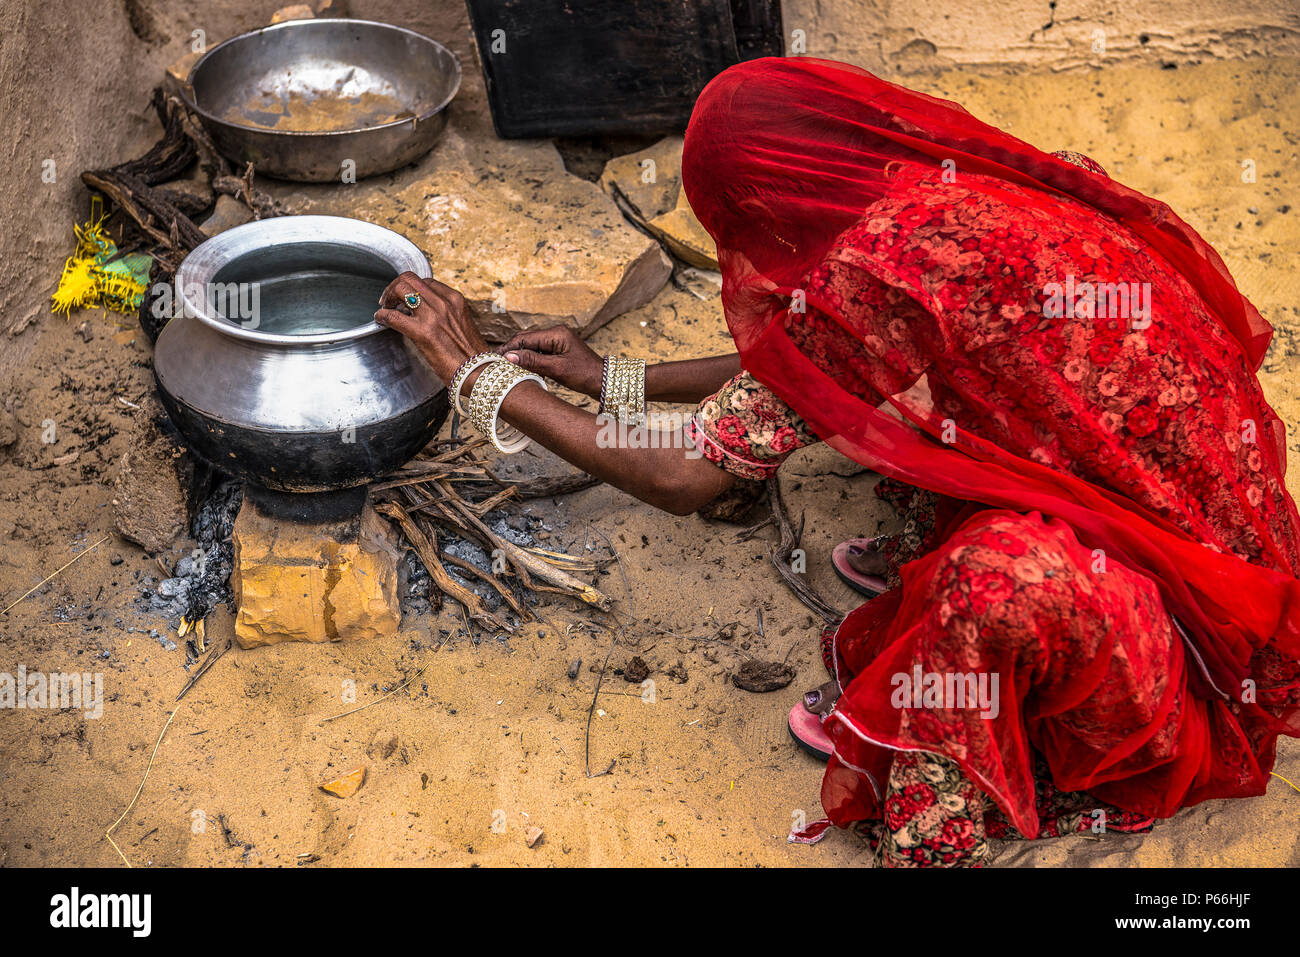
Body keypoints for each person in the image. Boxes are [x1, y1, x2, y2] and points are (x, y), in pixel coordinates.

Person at [373, 56, 1300, 866]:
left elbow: (688, 476)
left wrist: (474, 373)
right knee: (908, 422)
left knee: (989, 588)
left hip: (1190, 631)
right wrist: (617, 376)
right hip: (1200, 512)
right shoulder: (946, 193)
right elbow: (826, 356)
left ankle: (946, 801)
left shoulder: (888, 265)